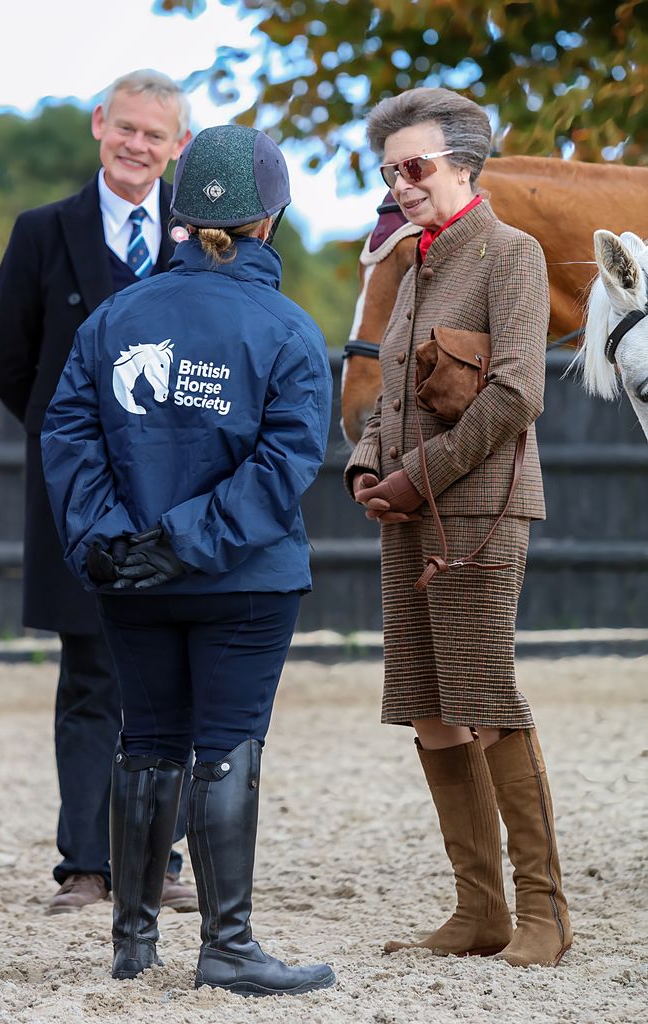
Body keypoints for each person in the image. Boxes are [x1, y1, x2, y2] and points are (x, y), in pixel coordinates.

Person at [40, 124, 336, 995]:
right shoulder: (286, 329)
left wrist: (113, 542)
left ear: (178, 206)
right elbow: (284, 465)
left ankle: (134, 942)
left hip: (130, 578)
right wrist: (186, 541)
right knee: (225, 745)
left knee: (149, 741)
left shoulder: (114, 318)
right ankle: (227, 944)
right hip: (243, 580)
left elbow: (67, 433)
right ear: (269, 216)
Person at [345, 88, 572, 968]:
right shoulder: (413, 262)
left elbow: (517, 393)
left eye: (415, 167)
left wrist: (415, 478)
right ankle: (480, 911)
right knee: (428, 710)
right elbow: (393, 392)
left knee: (482, 700)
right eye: (389, 171)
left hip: (476, 513)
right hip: (404, 512)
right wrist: (369, 465)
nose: (401, 186)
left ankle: (545, 914)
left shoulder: (509, 254)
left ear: (464, 165)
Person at [0, 69, 196, 914]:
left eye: (156, 135)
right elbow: (12, 366)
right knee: (87, 674)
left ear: (178, 146)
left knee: (170, 675)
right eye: (126, 129)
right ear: (98, 125)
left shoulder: (203, 235)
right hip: (76, 492)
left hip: (178, 489)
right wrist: (74, 451)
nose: (137, 146)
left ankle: (163, 863)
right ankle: (84, 865)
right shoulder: (42, 233)